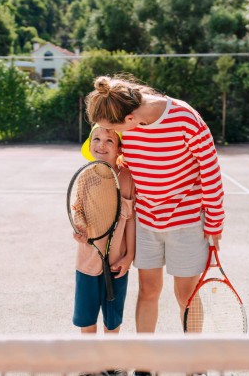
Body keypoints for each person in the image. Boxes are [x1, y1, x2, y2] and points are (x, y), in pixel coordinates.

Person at [84, 74, 225, 348]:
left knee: (186, 294)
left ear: (129, 121)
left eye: (112, 129)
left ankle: (194, 359)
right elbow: (113, 165)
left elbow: (211, 172)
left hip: (186, 223)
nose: (112, 136)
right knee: (148, 291)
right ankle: (145, 359)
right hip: (147, 222)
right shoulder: (124, 124)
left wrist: (214, 225)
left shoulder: (185, 118)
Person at [72, 125, 136, 344]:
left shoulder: (127, 178)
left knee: (112, 318)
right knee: (86, 316)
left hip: (117, 262)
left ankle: (110, 362)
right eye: (96, 139)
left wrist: (129, 257)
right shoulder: (85, 177)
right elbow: (78, 210)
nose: (102, 144)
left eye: (109, 140)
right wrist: (80, 230)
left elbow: (130, 221)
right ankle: (90, 363)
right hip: (88, 260)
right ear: (90, 145)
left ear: (119, 148)